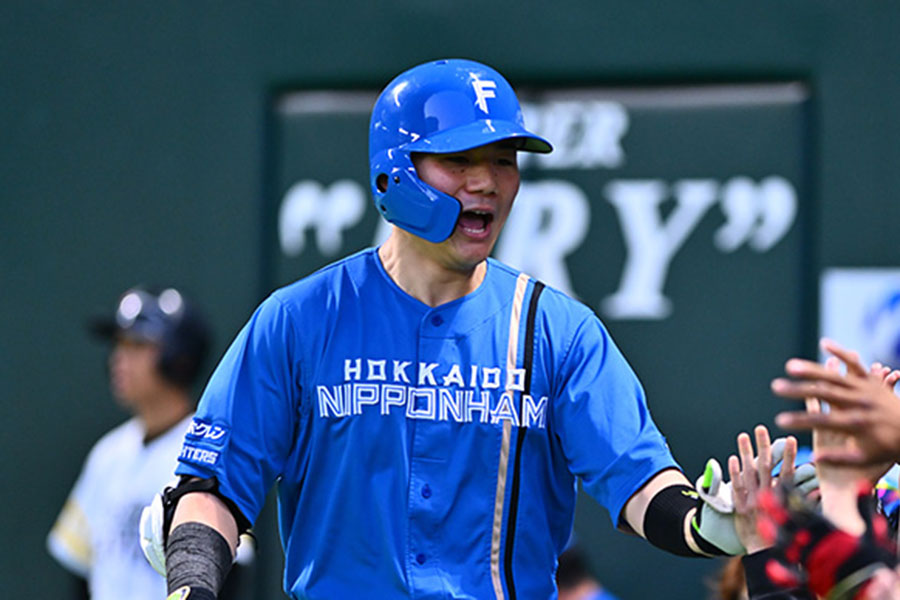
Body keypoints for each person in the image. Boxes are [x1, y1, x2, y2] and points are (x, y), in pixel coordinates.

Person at [141, 58, 774, 600]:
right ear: (394, 170)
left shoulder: (558, 331)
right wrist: (193, 578)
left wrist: (713, 525)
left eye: (503, 161)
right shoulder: (300, 318)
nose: (487, 182)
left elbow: (638, 481)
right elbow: (214, 487)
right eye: (459, 159)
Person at [47, 286, 213, 600]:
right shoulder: (107, 454)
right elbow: (81, 572)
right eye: (118, 345)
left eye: (137, 344)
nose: (118, 358)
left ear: (179, 357)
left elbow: (230, 574)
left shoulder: (206, 451)